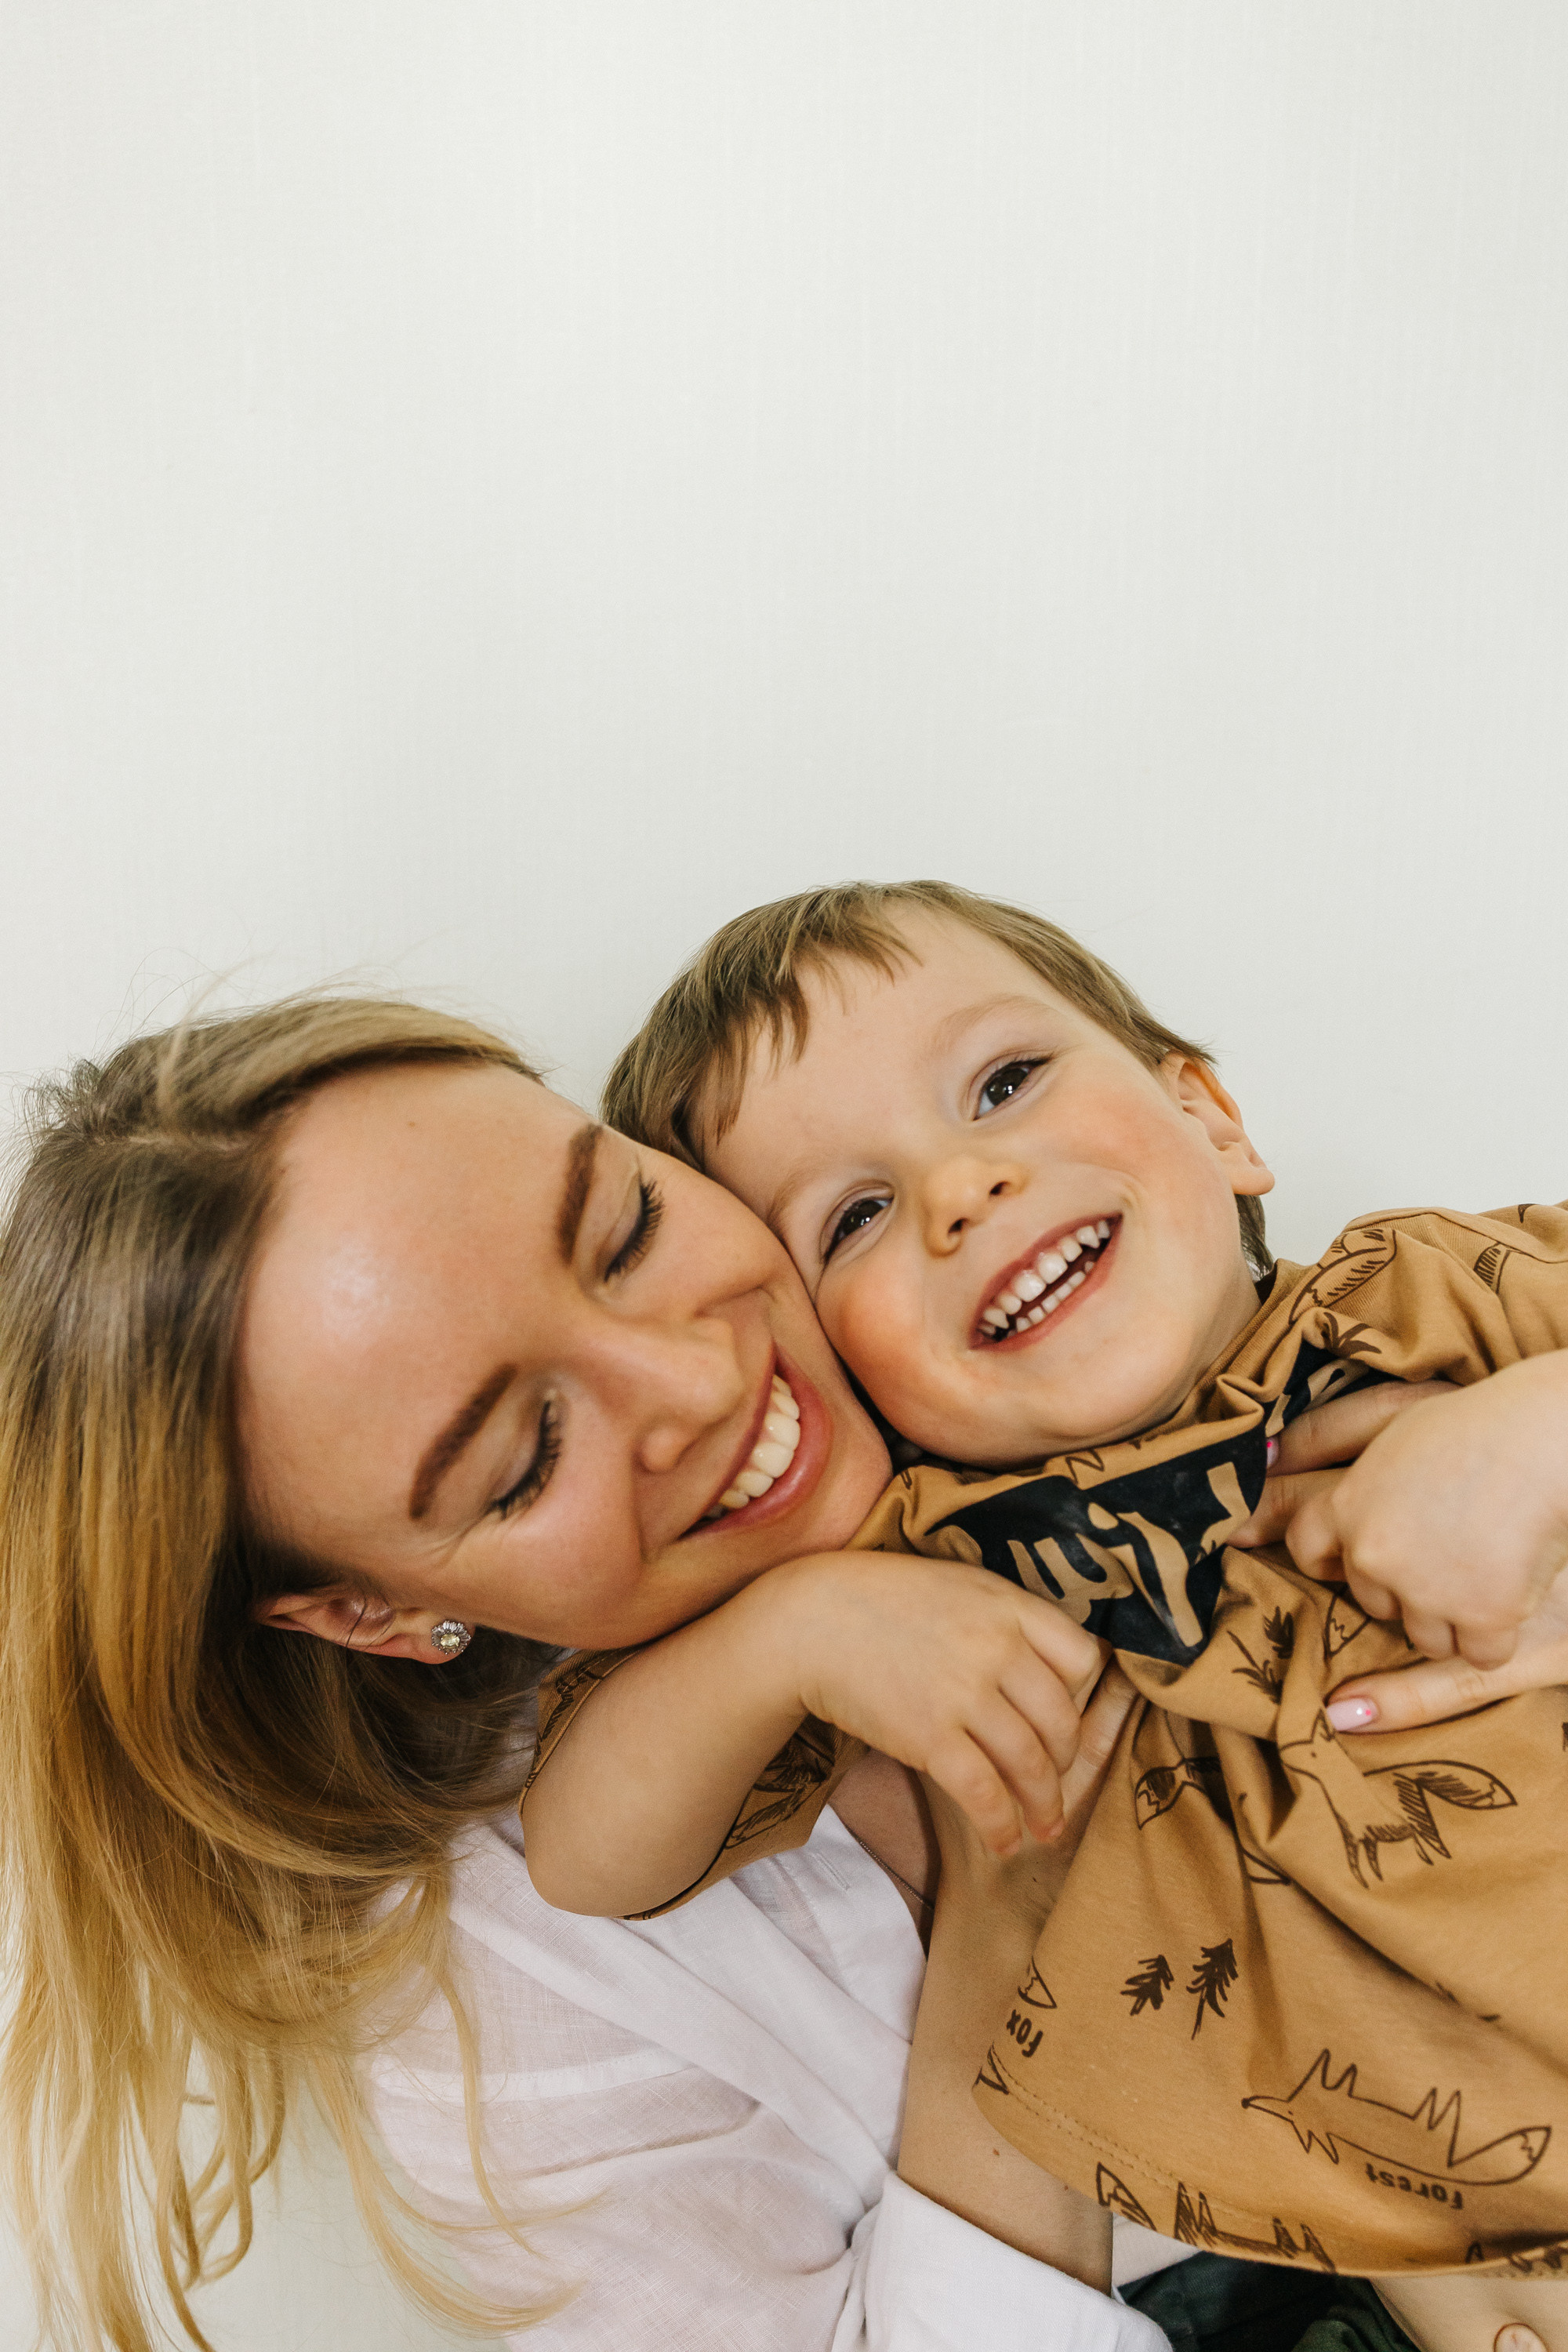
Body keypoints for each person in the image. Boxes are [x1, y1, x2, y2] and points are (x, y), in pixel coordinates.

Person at [0, 992, 1553, 2352]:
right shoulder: (520, 1991)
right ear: (372, 1616)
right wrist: (955, 1808)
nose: (702, 1381)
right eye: (523, 1456)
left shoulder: (1104, 1338)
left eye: (626, 1229)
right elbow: (589, 1864)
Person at [521, 880, 1568, 2352]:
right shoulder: (953, 1571)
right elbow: (583, 1855)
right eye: (859, 1215)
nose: (962, 1189)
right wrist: (793, 1636)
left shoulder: (1422, 1301)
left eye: (1004, 1083)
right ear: (846, 1374)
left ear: (1209, 1117)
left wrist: (1535, 1430)